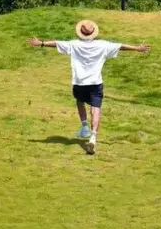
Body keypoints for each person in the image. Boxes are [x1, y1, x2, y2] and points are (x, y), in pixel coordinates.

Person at [28, 19, 151, 155]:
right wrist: (137, 48)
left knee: (80, 101)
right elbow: (120, 46)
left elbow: (56, 43)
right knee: (96, 108)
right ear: (94, 33)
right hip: (96, 83)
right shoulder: (103, 45)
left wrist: (41, 43)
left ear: (81, 33)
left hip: (79, 83)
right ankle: (93, 137)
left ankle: (85, 126)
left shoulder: (74, 45)